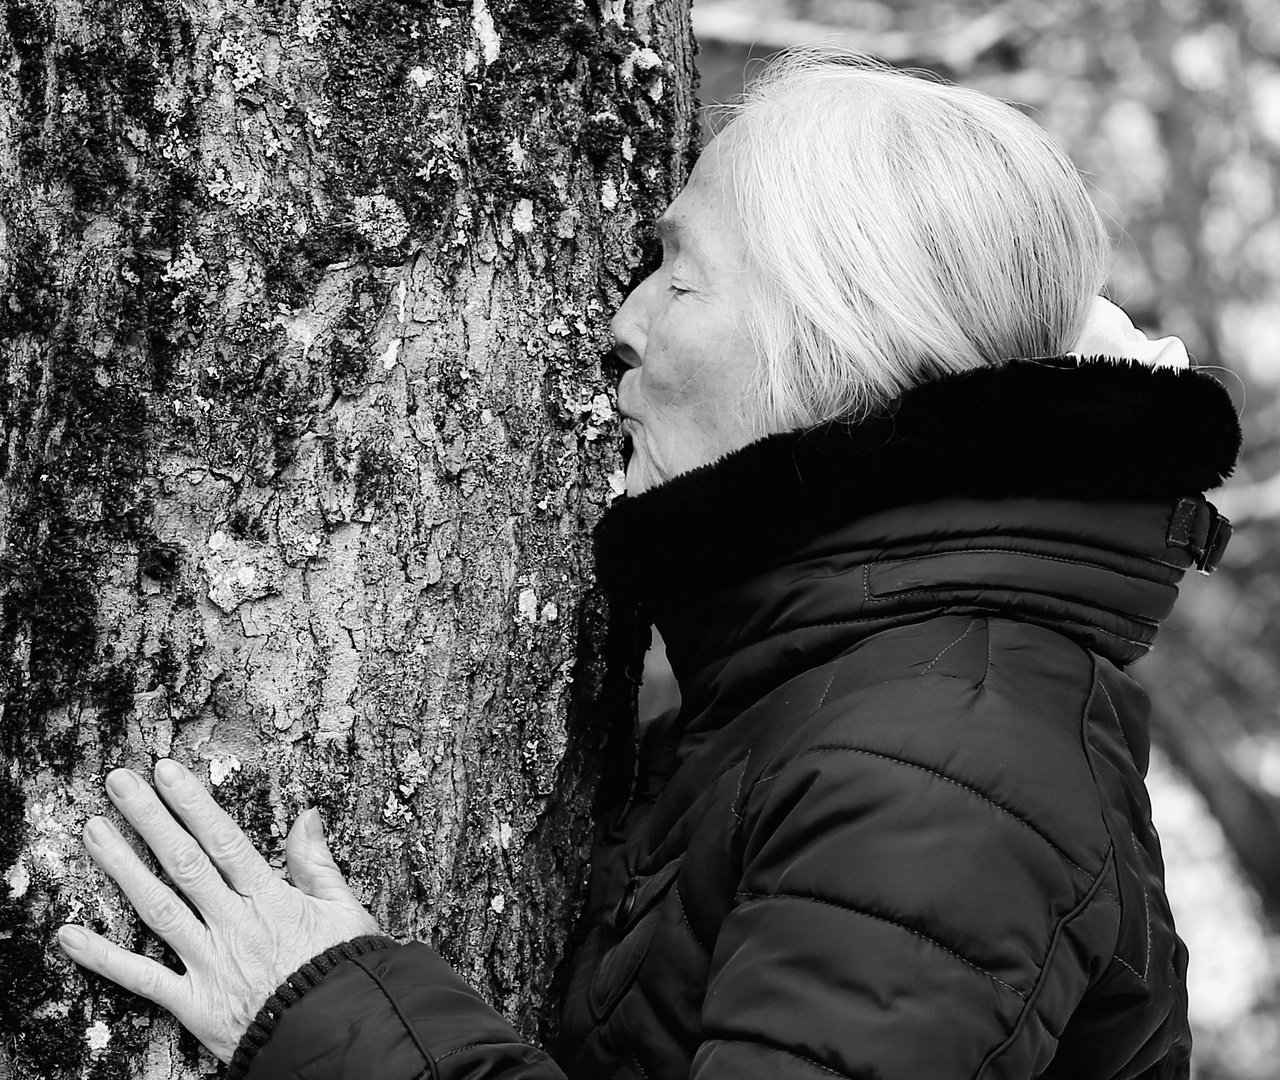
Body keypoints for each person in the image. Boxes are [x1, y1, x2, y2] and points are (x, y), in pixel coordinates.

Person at [58, 49, 1241, 1079]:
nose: (618, 320)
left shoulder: (934, 764)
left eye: (679, 272)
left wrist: (332, 1027)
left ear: (833, 344)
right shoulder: (854, 701)